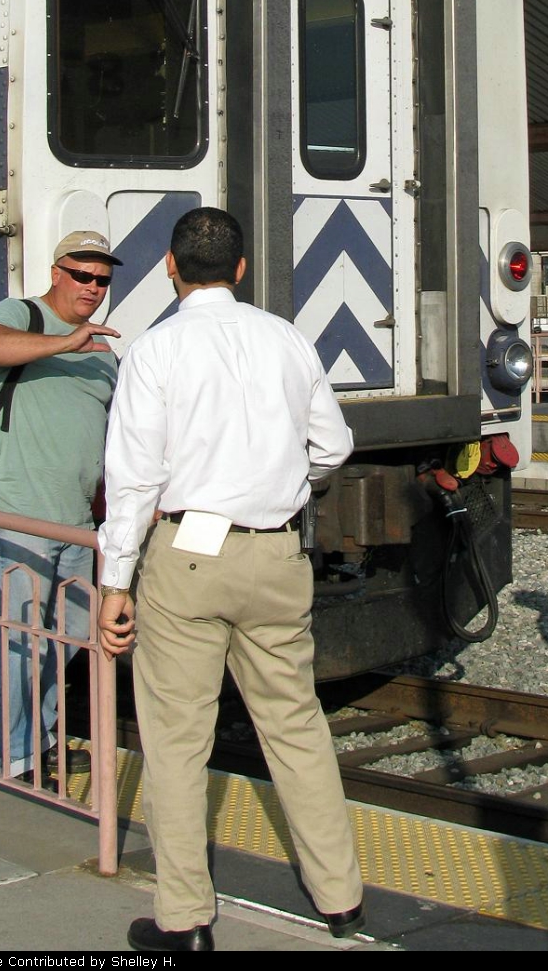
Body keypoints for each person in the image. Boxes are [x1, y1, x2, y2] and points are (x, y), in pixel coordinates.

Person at [97, 207, 364, 954]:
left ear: (171, 270)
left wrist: (116, 582)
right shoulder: (286, 338)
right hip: (277, 556)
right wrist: (283, 483)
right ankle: (342, 898)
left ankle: (185, 920)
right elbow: (334, 444)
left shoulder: (155, 350)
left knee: (179, 740)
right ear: (241, 269)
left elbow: (133, 480)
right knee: (297, 725)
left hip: (187, 554)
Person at [0, 230, 121, 779]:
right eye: (82, 275)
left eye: (102, 279)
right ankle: (11, 758)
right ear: (57, 272)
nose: (93, 287)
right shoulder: (23, 314)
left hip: (75, 518)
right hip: (14, 508)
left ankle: (41, 741)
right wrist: (64, 343)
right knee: (15, 639)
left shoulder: (105, 352)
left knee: (67, 636)